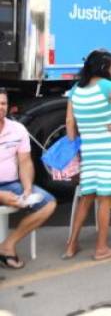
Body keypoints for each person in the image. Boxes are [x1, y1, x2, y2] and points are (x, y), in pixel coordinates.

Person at [64, 49, 111, 261]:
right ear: (105, 67)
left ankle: (71, 245)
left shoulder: (76, 90)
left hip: (88, 151)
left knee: (86, 199)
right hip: (108, 151)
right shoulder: (107, 86)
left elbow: (69, 123)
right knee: (104, 200)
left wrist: (75, 146)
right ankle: (101, 248)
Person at [0, 88, 56, 269]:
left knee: (48, 204)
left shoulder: (17, 129)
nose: (0, 107)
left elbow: (25, 162)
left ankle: (7, 246)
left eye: (3, 103)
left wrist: (27, 189)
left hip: (10, 184)